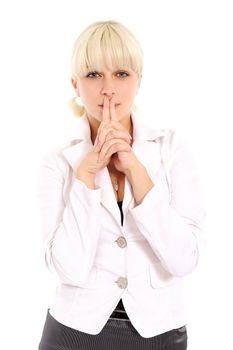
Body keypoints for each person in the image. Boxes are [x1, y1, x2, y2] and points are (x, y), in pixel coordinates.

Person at [38, 20, 205, 350]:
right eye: (94, 74)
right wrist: (85, 179)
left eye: (122, 74)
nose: (108, 89)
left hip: (159, 333)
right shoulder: (57, 159)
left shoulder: (171, 147)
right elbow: (68, 269)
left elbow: (184, 260)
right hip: (73, 333)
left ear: (139, 80)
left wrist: (136, 171)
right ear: (75, 83)